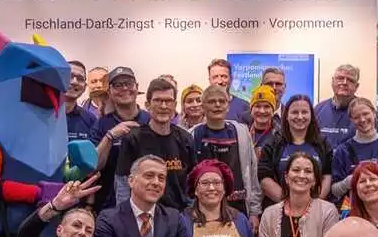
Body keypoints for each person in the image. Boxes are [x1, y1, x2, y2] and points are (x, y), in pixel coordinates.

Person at [115, 77, 197, 211]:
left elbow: (192, 182)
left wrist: (191, 213)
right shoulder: (133, 138)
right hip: (144, 215)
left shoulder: (185, 139)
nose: (163, 106)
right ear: (147, 105)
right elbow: (123, 183)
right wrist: (125, 216)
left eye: (168, 101)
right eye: (158, 100)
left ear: (175, 105)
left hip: (178, 215)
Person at [190, 84, 261, 224]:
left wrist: (254, 212)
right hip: (203, 211)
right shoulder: (192, 135)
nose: (217, 105)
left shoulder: (241, 132)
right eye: (211, 101)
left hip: (239, 207)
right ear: (203, 107)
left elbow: (253, 174)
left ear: (228, 106)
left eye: (222, 101)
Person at [91, 66, 151, 210]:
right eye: (117, 85)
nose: (124, 88)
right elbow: (94, 166)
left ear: (137, 87)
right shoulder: (101, 124)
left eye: (128, 83)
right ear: (110, 92)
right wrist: (109, 137)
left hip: (148, 203)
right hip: (109, 206)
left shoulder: (151, 121)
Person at [258, 95, 334, 206]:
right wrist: (289, 203)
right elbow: (264, 177)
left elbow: (327, 174)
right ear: (287, 116)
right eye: (294, 112)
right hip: (281, 207)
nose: (300, 116)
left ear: (311, 116)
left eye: (304, 112)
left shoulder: (322, 143)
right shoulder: (273, 143)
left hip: (315, 208)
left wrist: (314, 204)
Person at [330, 97, 378, 204]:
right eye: (357, 117)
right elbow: (334, 190)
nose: (362, 120)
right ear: (351, 120)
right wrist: (347, 182)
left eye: (366, 114)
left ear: (374, 113)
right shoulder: (343, 151)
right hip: (354, 213)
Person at [315, 64, 360, 149]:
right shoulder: (318, 110)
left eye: (350, 80)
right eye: (340, 78)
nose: (344, 82)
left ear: (356, 86)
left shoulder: (365, 112)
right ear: (332, 81)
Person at [208, 58, 251, 123]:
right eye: (215, 77)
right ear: (210, 80)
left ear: (231, 79)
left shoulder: (244, 106)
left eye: (224, 76)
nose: (219, 81)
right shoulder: (203, 106)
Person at [64, 60, 97, 143]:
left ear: (85, 88)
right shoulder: (43, 114)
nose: (74, 82)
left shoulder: (90, 119)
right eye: (69, 76)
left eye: (80, 79)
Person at [248, 85, 279, 156]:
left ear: (273, 110)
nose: (262, 111)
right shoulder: (242, 132)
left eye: (267, 106)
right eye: (257, 106)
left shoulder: (280, 136)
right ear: (251, 110)